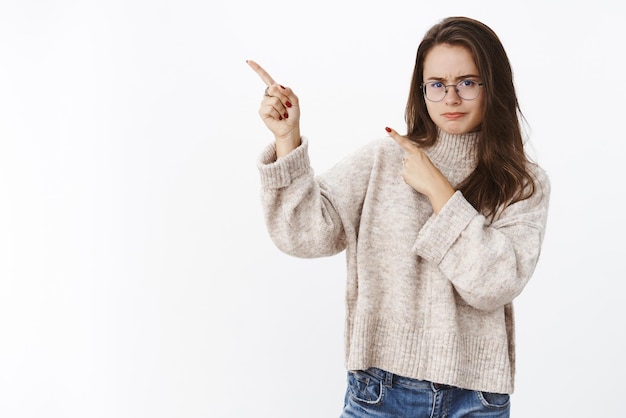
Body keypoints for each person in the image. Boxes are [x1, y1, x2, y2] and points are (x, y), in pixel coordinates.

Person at [247, 16, 550, 418]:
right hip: (380, 392)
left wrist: (439, 190)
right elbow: (304, 235)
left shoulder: (523, 182)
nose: (451, 98)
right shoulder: (383, 159)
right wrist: (287, 139)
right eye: (437, 85)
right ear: (421, 90)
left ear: (493, 86)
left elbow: (493, 286)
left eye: (468, 82)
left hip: (476, 400)